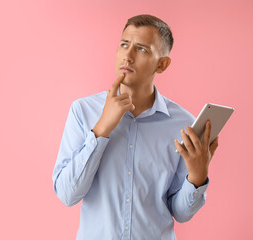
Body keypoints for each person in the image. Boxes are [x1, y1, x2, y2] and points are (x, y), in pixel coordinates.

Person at [52, 14, 219, 240]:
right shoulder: (83, 111)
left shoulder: (183, 124)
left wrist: (197, 177)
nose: (127, 56)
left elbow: (180, 213)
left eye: (141, 49)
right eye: (124, 45)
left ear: (162, 64)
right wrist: (102, 129)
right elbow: (67, 194)